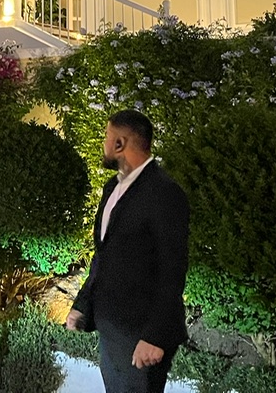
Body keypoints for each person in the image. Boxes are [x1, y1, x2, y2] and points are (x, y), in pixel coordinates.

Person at [66, 110, 189, 393]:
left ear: (120, 144)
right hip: (113, 328)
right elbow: (104, 254)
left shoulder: (164, 193)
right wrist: (83, 303)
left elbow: (173, 268)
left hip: (141, 333)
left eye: (106, 137)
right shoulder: (113, 188)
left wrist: (155, 336)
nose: (104, 144)